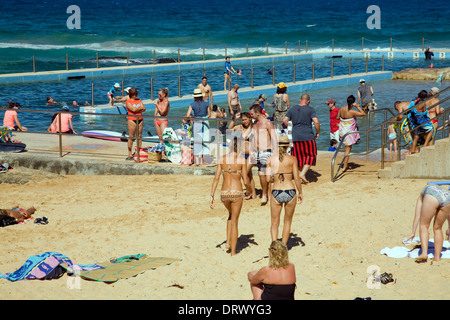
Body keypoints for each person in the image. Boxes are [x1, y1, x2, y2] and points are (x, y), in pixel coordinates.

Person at [210, 137, 252, 256]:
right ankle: (233, 251)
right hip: (236, 192)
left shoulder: (222, 159)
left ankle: (228, 243)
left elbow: (216, 178)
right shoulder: (241, 160)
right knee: (235, 221)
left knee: (230, 215)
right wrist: (250, 191)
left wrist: (211, 195)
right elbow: (246, 181)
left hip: (224, 193)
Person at [266, 136, 303, 244]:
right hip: (290, 191)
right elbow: (296, 178)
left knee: (274, 223)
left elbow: (268, 179)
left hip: (276, 191)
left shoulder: (270, 159)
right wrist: (300, 192)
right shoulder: (292, 159)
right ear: (287, 146)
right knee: (287, 222)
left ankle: (274, 245)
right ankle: (283, 245)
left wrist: (275, 179)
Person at [405, 184, 450, 263]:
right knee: (438, 228)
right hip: (447, 197)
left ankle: (424, 253)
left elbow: (417, 216)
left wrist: (413, 232)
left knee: (423, 225)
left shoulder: (422, 196)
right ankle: (437, 257)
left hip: (432, 196)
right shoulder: (435, 188)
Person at [282, 94, 320, 184]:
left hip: (295, 136)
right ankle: (302, 174)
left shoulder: (293, 109)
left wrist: (291, 127)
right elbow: (316, 122)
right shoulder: (310, 109)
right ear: (308, 101)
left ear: (300, 100)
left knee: (298, 157)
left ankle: (299, 177)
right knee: (311, 155)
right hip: (308, 136)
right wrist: (318, 132)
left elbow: (284, 120)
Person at [249, 104, 276, 205]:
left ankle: (265, 195)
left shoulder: (267, 123)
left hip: (267, 150)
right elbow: (253, 138)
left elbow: (274, 137)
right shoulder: (255, 124)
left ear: (257, 113)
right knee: (262, 174)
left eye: (252, 114)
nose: (250, 115)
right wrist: (251, 151)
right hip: (258, 152)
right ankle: (267, 195)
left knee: (264, 174)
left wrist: (275, 152)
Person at [228, 112, 256, 199]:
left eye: (246, 119)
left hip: (251, 155)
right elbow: (229, 129)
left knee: (243, 174)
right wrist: (234, 119)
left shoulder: (254, 128)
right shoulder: (239, 127)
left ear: (250, 119)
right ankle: (253, 194)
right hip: (242, 154)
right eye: (243, 120)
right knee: (249, 175)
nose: (244, 121)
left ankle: (248, 192)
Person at [337, 95, 365, 172]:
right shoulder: (352, 111)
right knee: (347, 150)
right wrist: (357, 107)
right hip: (348, 133)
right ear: (353, 103)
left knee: (348, 148)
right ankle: (344, 166)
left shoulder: (342, 109)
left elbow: (337, 117)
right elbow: (363, 114)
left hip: (342, 131)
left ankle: (346, 164)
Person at [186, 88, 211, 165]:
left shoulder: (192, 104)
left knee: (197, 140)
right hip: (205, 121)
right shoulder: (206, 103)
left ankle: (197, 161)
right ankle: (203, 160)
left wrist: (192, 117)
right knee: (205, 140)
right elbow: (209, 114)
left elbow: (187, 115)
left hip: (196, 121)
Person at [125, 88, 146, 160]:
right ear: (132, 95)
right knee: (131, 136)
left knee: (139, 136)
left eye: (137, 94)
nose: (136, 95)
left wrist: (138, 109)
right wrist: (140, 109)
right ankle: (129, 153)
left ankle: (138, 151)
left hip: (140, 119)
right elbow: (133, 109)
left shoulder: (139, 100)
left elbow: (144, 108)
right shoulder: (128, 101)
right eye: (135, 94)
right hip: (132, 119)